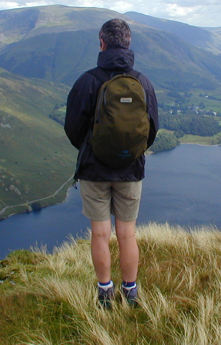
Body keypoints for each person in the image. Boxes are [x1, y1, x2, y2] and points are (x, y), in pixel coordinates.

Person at [64, 18, 159, 308]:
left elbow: (72, 127)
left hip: (95, 170)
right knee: (127, 233)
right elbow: (152, 129)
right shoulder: (142, 82)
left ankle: (105, 292)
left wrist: (92, 149)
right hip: (130, 170)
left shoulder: (88, 80)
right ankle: (130, 292)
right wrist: (129, 153)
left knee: (100, 232)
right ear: (128, 44)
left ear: (102, 43)